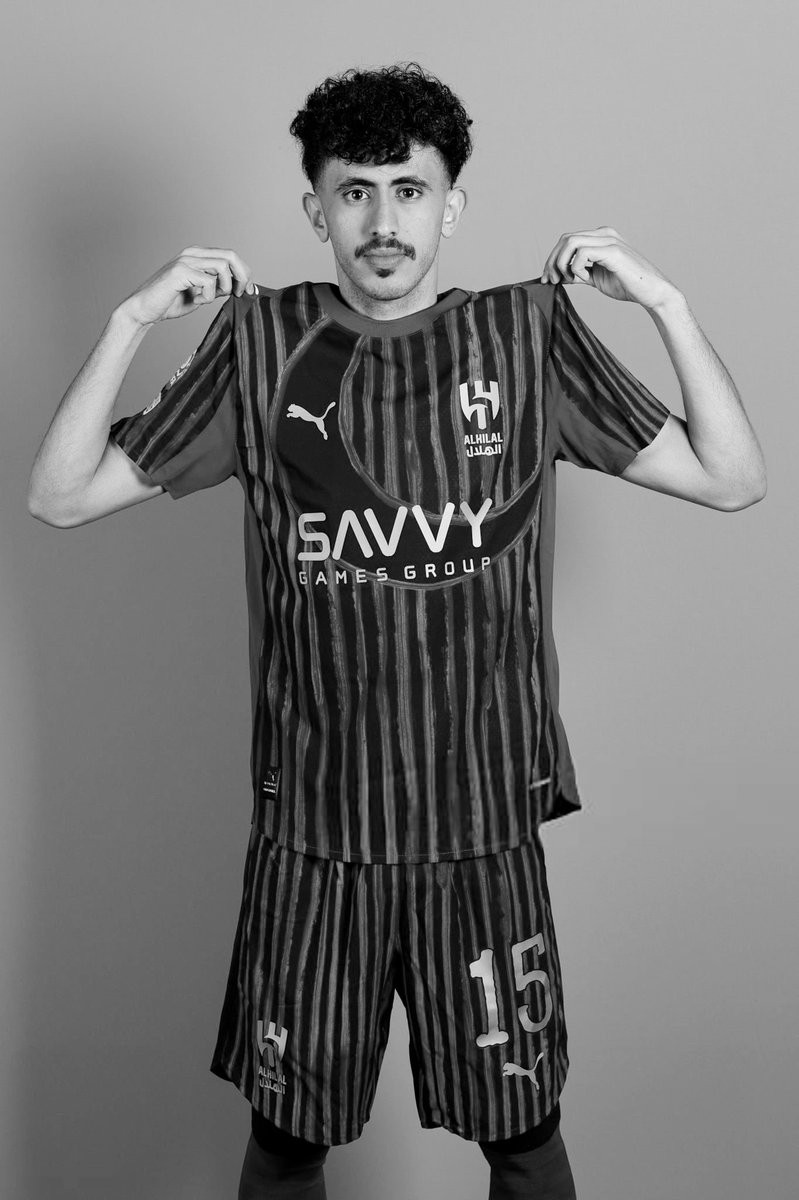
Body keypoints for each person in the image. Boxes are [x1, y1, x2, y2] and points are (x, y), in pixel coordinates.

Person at [28, 62, 766, 1200]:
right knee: (286, 1145)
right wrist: (131, 320)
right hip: (316, 834)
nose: (383, 221)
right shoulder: (259, 348)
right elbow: (59, 494)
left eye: (409, 191)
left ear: (450, 206)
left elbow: (732, 476)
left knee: (523, 1139)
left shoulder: (525, 339)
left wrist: (663, 303)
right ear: (314, 208)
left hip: (481, 823)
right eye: (355, 191)